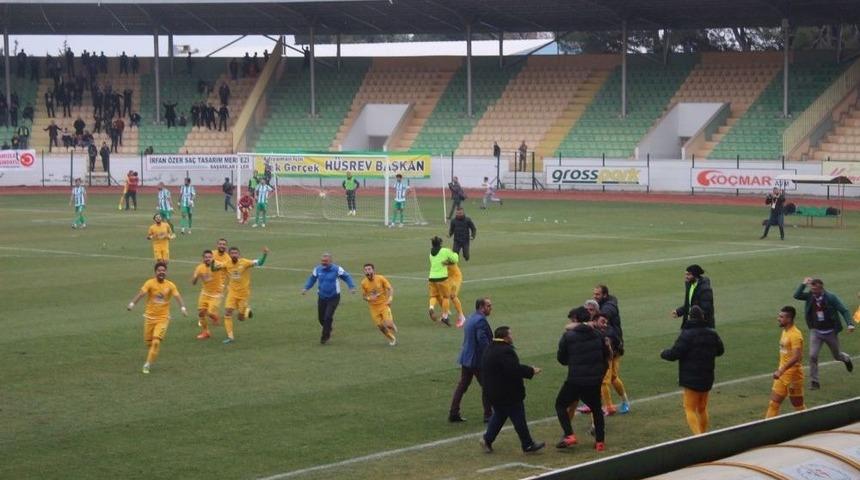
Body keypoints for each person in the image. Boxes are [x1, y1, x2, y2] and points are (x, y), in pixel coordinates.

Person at [480, 325, 545, 454]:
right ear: (505, 337)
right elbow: (513, 369)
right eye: (510, 334)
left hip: (493, 391)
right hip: (507, 392)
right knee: (518, 417)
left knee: (499, 415)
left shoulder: (490, 348)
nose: (512, 337)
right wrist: (531, 370)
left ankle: (487, 439)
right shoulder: (505, 351)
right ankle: (527, 444)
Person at [660, 306, 724, 435]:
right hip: (707, 377)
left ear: (690, 318)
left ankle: (699, 437)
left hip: (691, 380)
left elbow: (674, 353)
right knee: (702, 409)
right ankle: (704, 433)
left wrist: (663, 353)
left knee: (689, 408)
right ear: (703, 317)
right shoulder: (712, 333)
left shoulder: (687, 334)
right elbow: (720, 351)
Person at [555, 306, 609, 452]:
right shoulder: (599, 335)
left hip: (575, 379)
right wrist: (600, 375)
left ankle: (569, 435)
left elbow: (561, 359)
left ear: (575, 320)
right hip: (594, 380)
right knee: (596, 409)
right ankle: (600, 442)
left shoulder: (568, 336)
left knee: (560, 404)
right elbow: (606, 356)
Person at [793, 277, 855, 390]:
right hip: (816, 331)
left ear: (821, 289)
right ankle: (814, 382)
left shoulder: (831, 297)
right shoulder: (810, 296)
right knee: (812, 356)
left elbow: (843, 310)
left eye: (815, 290)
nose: (813, 292)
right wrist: (803, 284)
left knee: (837, 356)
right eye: (811, 289)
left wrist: (850, 324)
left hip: (830, 332)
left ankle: (845, 359)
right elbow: (796, 296)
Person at [127, 262, 188, 374]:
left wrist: (183, 308)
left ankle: (147, 364)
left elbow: (177, 296)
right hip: (149, 318)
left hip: (163, 318)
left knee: (156, 342)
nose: (162, 272)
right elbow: (141, 293)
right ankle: (152, 355)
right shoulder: (149, 283)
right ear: (155, 272)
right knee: (149, 343)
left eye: (163, 270)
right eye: (159, 270)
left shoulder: (170, 285)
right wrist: (132, 304)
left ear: (166, 272)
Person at [449, 297, 494, 424]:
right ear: (481, 307)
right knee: (487, 386)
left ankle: (453, 412)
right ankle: (488, 415)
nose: (491, 308)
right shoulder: (481, 321)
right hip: (477, 360)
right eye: (488, 306)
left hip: (466, 358)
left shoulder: (470, 318)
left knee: (462, 385)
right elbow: (482, 340)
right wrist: (490, 354)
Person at [211, 246, 269, 344]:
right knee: (227, 313)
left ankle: (247, 311)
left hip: (244, 294)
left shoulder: (245, 262)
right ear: (229, 255)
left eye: (235, 253)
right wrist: (212, 261)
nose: (234, 255)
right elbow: (214, 269)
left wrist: (264, 254)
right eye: (232, 253)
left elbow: (259, 263)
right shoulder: (226, 264)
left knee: (240, 318)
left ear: (239, 254)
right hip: (232, 293)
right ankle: (230, 337)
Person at [302, 253, 356, 345]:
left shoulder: (337, 269)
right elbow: (312, 279)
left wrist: (351, 287)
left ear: (331, 261)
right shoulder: (317, 269)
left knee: (328, 316)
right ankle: (328, 328)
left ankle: (325, 336)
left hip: (334, 297)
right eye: (322, 261)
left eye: (325, 261)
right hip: (322, 297)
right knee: (321, 318)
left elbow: (346, 277)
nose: (323, 263)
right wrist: (306, 288)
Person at [594, 285, 629, 413]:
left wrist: (596, 318)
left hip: (611, 347)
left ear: (605, 295)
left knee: (604, 380)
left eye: (597, 294)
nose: (595, 296)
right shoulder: (606, 305)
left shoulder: (608, 307)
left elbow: (605, 315)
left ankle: (609, 407)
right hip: (615, 345)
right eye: (594, 294)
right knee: (613, 377)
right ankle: (624, 401)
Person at [766, 306, 806, 418]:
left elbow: (796, 356)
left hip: (793, 376)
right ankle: (767, 430)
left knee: (798, 406)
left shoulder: (795, 335)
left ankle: (807, 426)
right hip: (782, 375)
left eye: (781, 317)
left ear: (789, 319)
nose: (778, 318)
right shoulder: (785, 331)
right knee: (773, 404)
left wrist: (781, 370)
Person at [360, 263, 398, 346]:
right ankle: (392, 338)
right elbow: (364, 296)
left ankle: (391, 325)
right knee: (381, 327)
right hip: (373, 308)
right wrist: (369, 298)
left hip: (384, 305)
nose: (367, 271)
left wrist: (390, 298)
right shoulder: (363, 283)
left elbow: (390, 288)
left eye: (369, 269)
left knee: (388, 325)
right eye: (366, 270)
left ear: (373, 270)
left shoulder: (380, 278)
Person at [192, 250, 225, 340]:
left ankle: (215, 317)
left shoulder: (217, 265)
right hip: (205, 293)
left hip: (216, 294)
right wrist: (196, 277)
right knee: (201, 313)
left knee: (210, 312)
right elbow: (193, 283)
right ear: (203, 258)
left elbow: (226, 266)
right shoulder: (199, 268)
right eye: (206, 257)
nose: (208, 259)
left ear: (212, 258)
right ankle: (205, 332)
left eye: (209, 257)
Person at [428, 236, 459, 326]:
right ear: (440, 243)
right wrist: (455, 253)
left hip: (432, 277)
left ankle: (431, 307)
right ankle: (445, 317)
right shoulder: (445, 251)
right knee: (446, 297)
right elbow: (455, 259)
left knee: (434, 296)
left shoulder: (431, 253)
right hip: (442, 278)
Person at [672, 264, 714, 329]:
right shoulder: (689, 284)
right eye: (686, 274)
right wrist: (679, 311)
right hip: (691, 323)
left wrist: (693, 317)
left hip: (702, 326)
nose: (686, 277)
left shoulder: (705, 289)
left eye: (688, 274)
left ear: (695, 275)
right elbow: (689, 303)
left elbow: (706, 309)